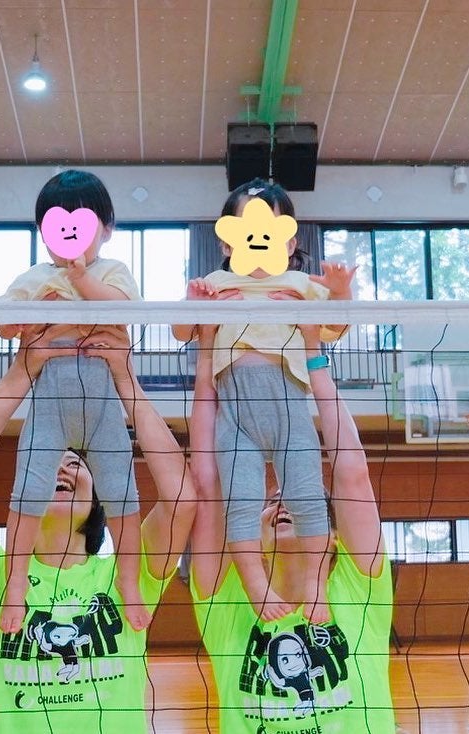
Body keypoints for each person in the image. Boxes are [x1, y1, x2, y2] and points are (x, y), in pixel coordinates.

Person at [0, 330, 196, 732]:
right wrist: (21, 372)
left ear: (99, 499)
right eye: (50, 459)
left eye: (76, 464)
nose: (61, 467)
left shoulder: (129, 572)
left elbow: (182, 499)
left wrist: (125, 379)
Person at [189, 325, 395, 733]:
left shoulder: (358, 589)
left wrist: (313, 357)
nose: (282, 502)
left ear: (333, 537)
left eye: (298, 500)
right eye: (270, 502)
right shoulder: (228, 600)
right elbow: (207, 481)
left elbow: (352, 472)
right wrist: (208, 356)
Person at [174, 178, 355, 623]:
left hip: (289, 407)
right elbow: (180, 332)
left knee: (308, 498)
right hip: (235, 416)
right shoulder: (216, 283)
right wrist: (193, 303)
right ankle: (256, 584)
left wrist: (339, 290)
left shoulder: (300, 284)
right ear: (226, 241)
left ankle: (315, 585)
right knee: (241, 501)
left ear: (290, 241)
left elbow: (338, 326)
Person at [0, 170, 149, 632]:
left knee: (122, 492)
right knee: (27, 491)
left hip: (102, 404)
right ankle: (16, 585)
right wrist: (26, 315)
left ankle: (129, 581)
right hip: (50, 403)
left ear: (106, 228)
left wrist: (81, 280)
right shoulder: (35, 277)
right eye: (56, 223)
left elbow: (123, 311)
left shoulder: (112, 272)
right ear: (44, 231)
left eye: (82, 222)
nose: (69, 234)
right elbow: (3, 322)